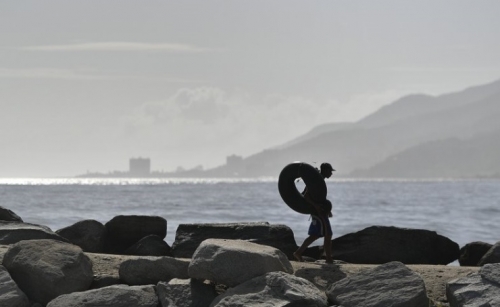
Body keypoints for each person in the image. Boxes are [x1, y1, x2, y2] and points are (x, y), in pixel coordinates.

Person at [293, 162, 335, 264]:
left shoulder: (319, 179)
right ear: (325, 170)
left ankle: (298, 252)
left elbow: (320, 197)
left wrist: (328, 210)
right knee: (328, 234)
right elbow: (306, 195)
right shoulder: (316, 180)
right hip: (317, 212)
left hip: (319, 211)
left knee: (315, 235)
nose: (331, 173)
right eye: (330, 171)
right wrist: (316, 206)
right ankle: (328, 258)